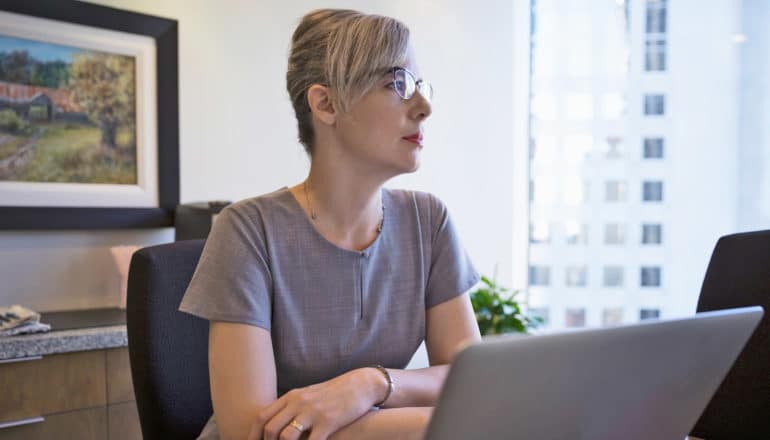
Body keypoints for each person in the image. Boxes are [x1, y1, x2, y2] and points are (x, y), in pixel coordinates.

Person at [179, 8, 481, 440]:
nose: (424, 106)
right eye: (398, 83)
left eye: (419, 85)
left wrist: (369, 384)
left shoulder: (428, 222)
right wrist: (434, 425)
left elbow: (468, 381)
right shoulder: (247, 231)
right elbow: (250, 431)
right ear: (325, 103)